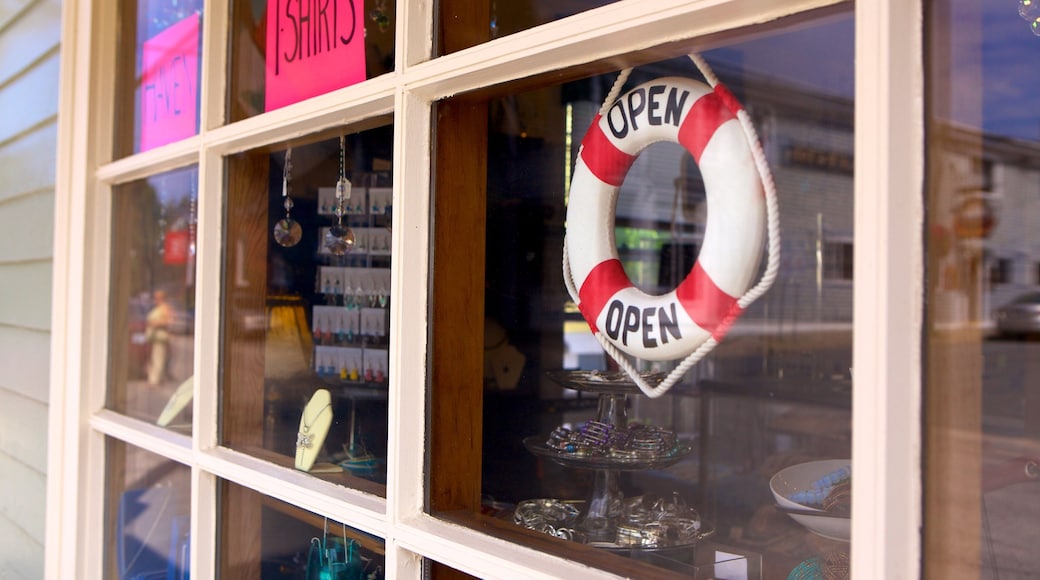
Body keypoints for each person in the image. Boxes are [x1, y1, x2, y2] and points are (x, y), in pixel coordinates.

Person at [146, 290, 174, 386]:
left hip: (161, 337)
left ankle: (156, 379)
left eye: (157, 297)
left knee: (159, 359)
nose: (155, 299)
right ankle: (154, 378)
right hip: (154, 338)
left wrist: (157, 323)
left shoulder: (165, 308)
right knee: (155, 358)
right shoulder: (158, 308)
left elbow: (169, 321)